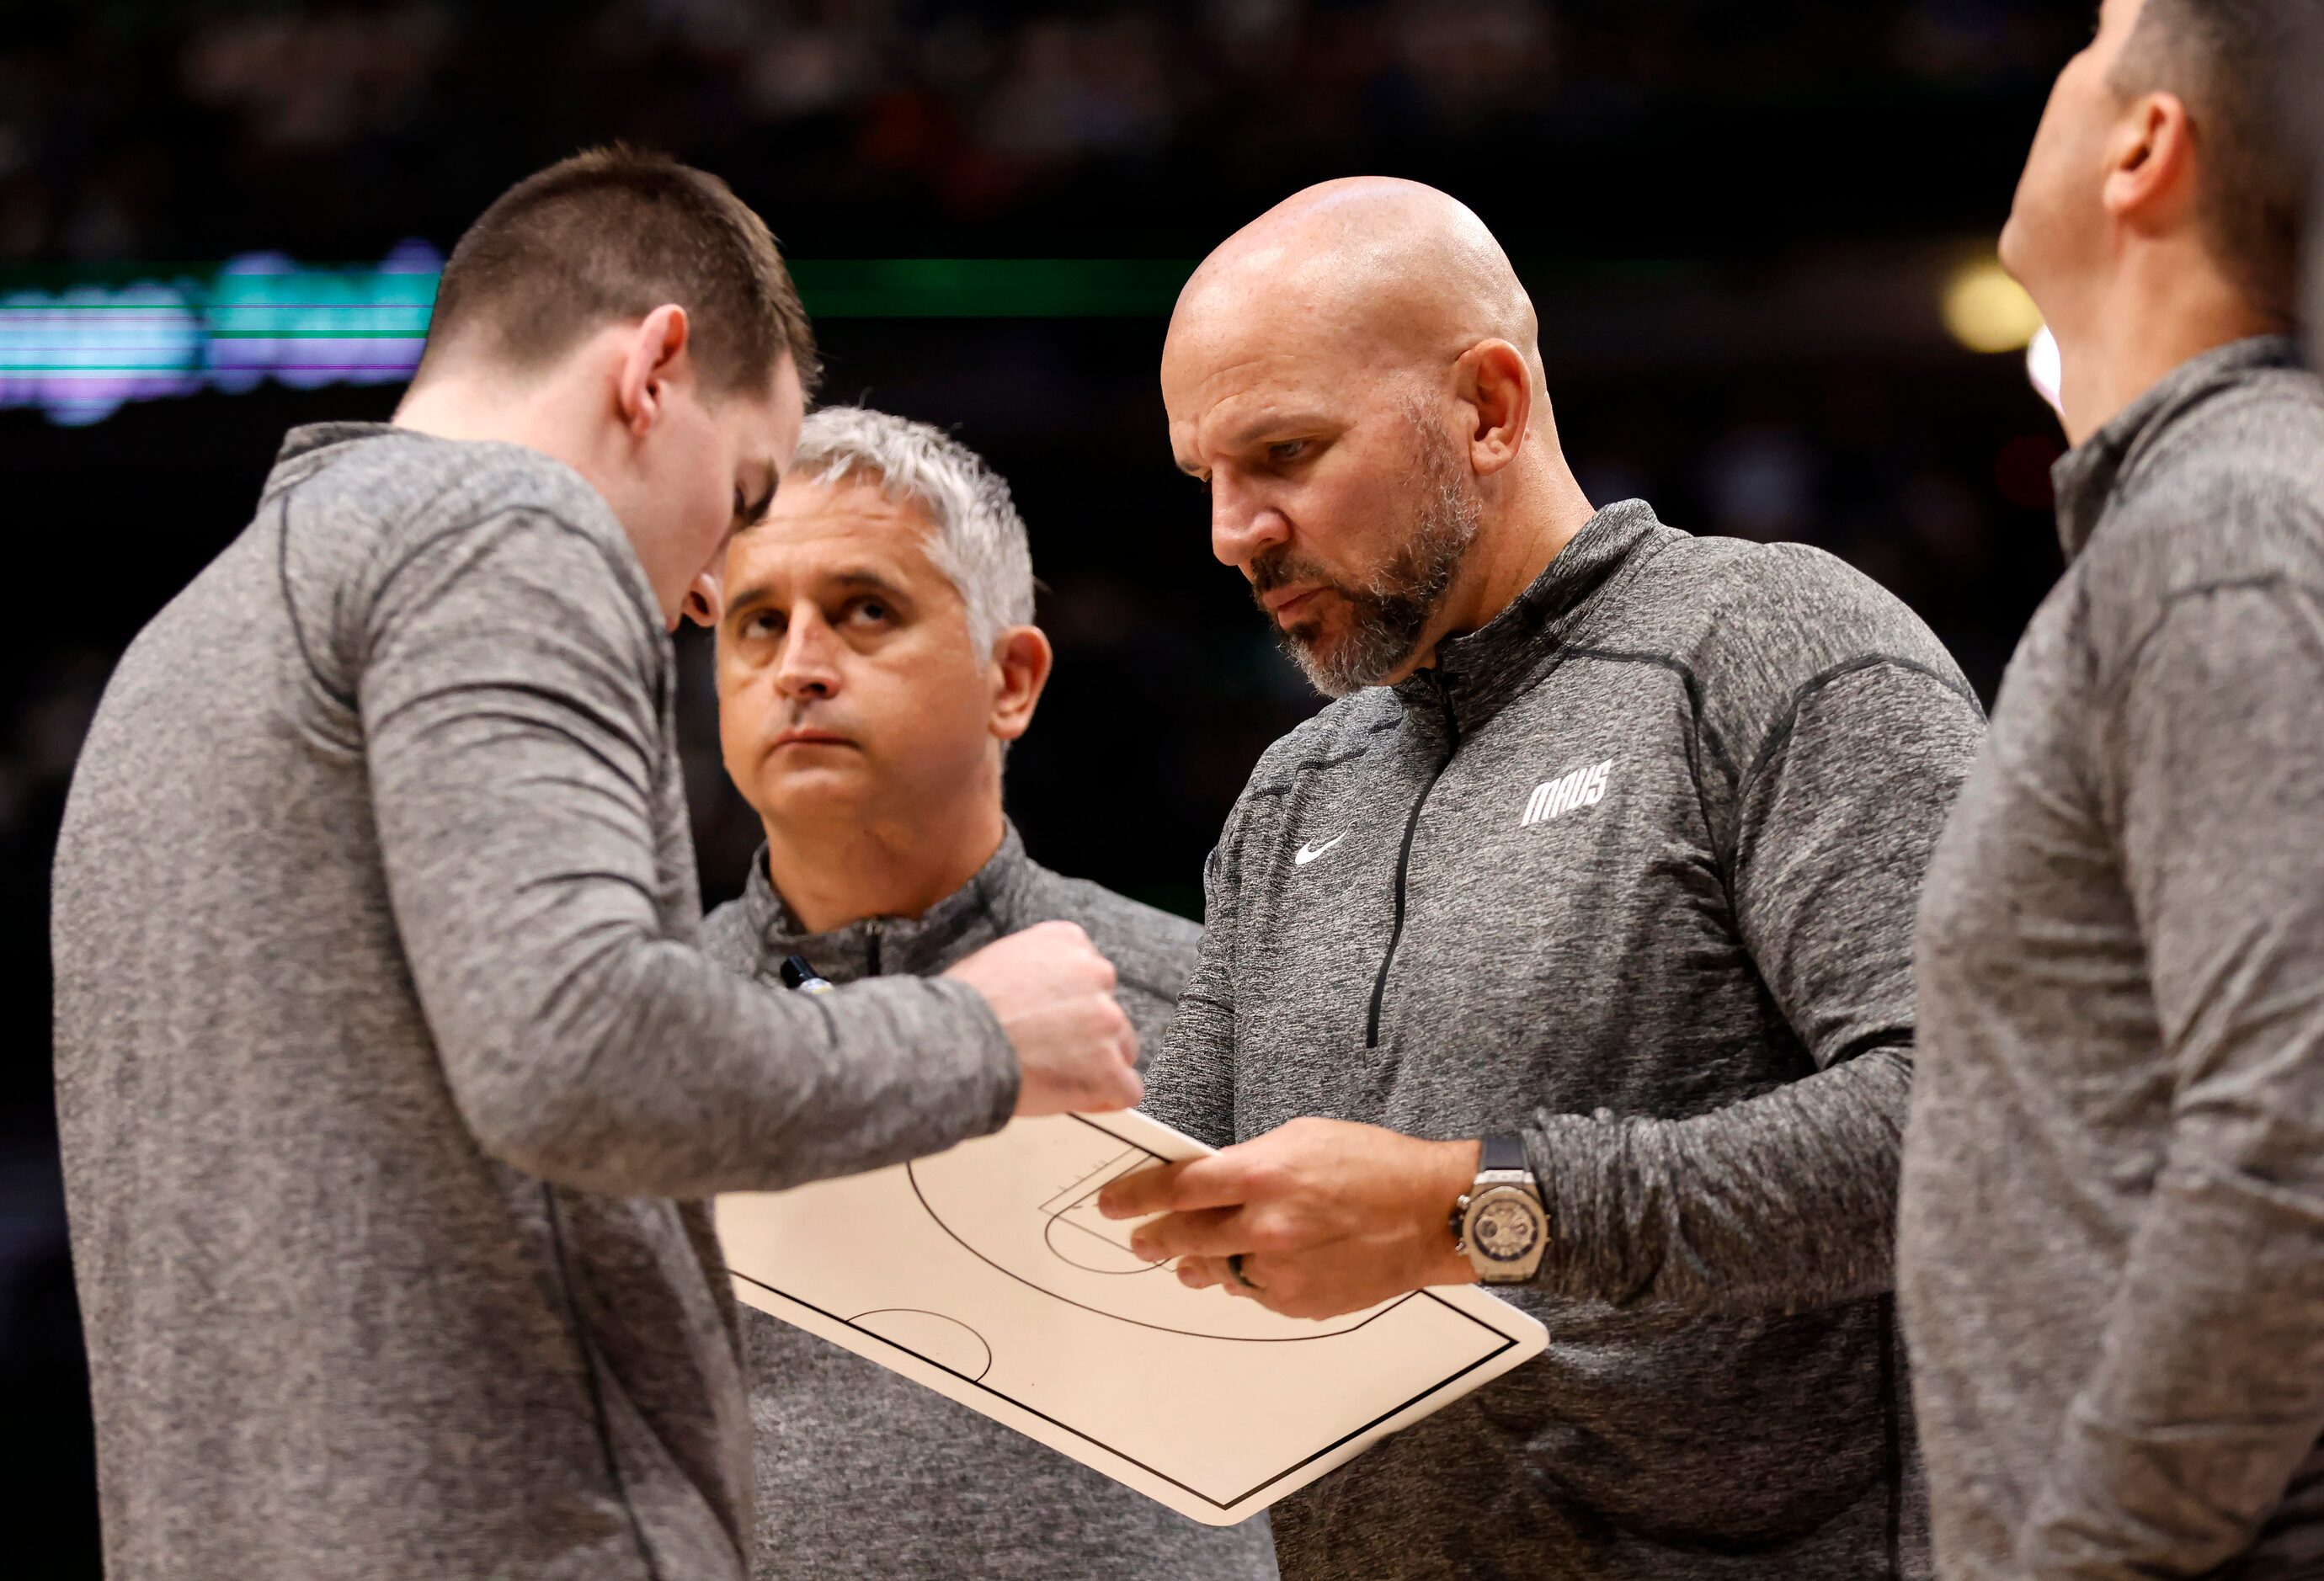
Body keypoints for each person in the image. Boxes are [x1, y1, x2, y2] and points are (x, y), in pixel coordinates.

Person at [50, 150, 1140, 1581]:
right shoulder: (507, 522)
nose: (706, 591)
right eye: (745, 494)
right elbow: (574, 1049)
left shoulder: (183, 644)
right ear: (654, 370)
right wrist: (979, 1036)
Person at [1097, 176, 1988, 1579]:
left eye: (1283, 453)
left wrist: (1468, 1207)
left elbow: (1966, 1130)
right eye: (1207, 477)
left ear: (1490, 408)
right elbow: (1178, 1217)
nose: (1232, 531)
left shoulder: (1777, 649)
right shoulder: (1289, 795)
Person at [683, 405, 1278, 1581]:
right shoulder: (627, 1033)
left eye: (864, 610)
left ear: (1012, 679)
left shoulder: (1206, 1000)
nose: (799, 663)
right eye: (759, 622)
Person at [1895, 0, 2324, 1573]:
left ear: (2148, 146)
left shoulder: (2222, 539)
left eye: (2094, 35)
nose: (2059, 64)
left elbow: (2300, 1138)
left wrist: (2086, 1556)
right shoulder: (2217, 522)